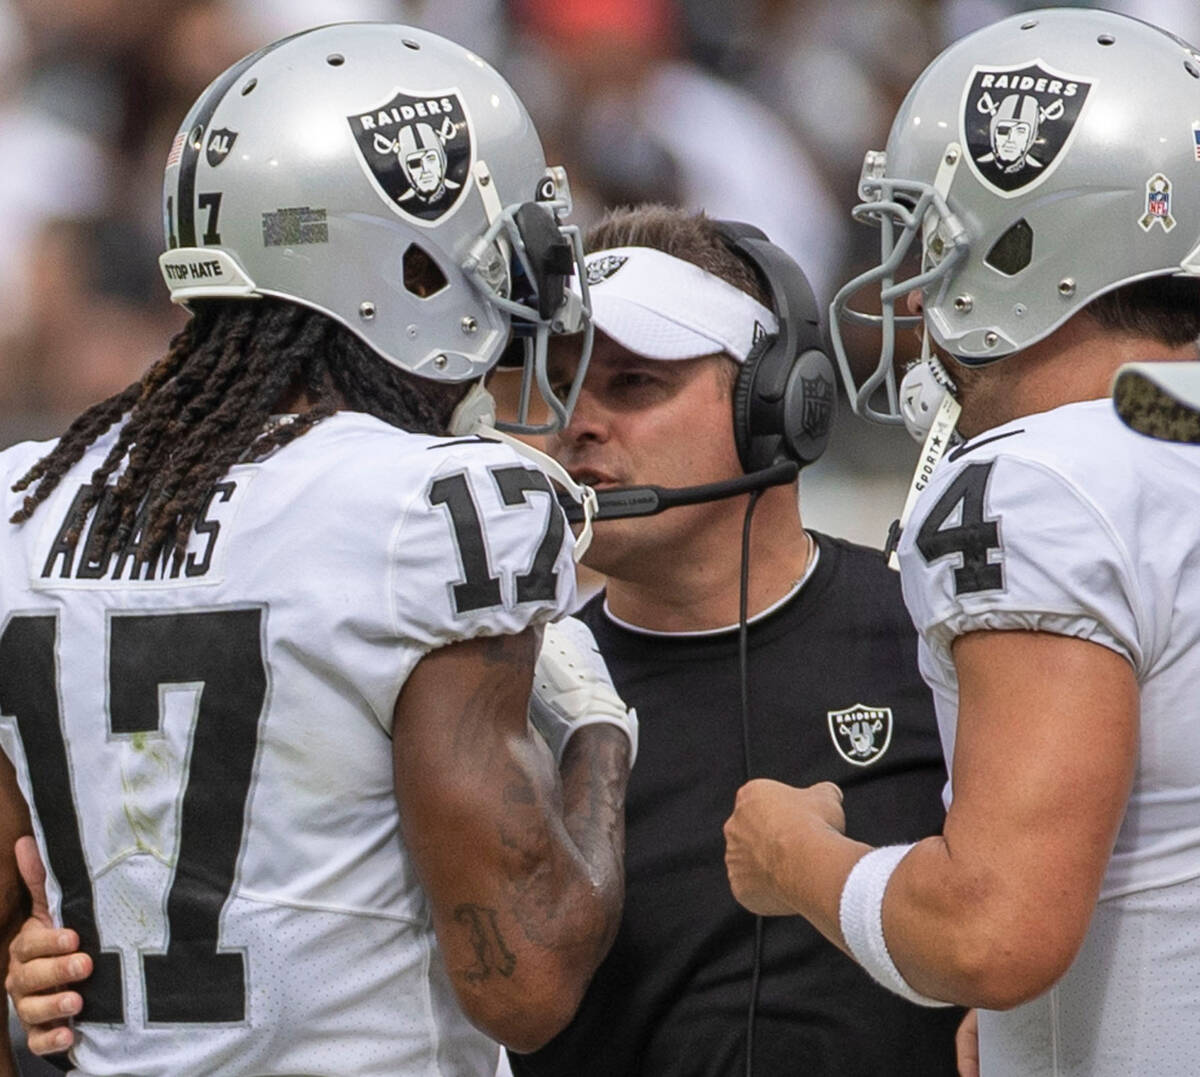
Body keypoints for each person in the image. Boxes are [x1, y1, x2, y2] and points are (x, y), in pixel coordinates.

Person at [0, 23, 637, 1077]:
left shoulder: (26, 494)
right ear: (398, 264)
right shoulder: (430, 505)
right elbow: (524, 976)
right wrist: (600, 740)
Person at [723, 8, 1200, 1077]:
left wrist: (797, 859)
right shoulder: (1159, 440)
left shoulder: (1041, 482)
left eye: (930, 239)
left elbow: (993, 930)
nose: (906, 284)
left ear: (1027, 247)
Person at [493, 204, 958, 1075]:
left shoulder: (937, 634)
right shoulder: (509, 695)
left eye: (633, 383)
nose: (576, 423)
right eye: (557, 386)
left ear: (777, 402)